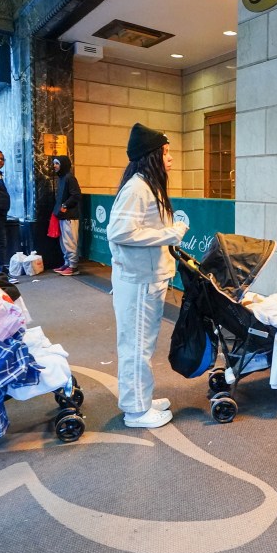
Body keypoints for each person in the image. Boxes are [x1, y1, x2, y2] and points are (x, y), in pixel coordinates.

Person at [107, 123, 188, 429]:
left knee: (141, 344)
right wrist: (171, 233)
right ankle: (136, 411)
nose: (171, 159)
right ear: (151, 155)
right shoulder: (139, 188)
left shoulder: (147, 185)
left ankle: (141, 399)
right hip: (139, 281)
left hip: (146, 279)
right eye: (165, 153)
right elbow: (120, 232)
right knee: (136, 346)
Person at [51, 156, 82, 276]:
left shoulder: (69, 178)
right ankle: (67, 263)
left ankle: (73, 266)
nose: (54, 166)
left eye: (57, 163)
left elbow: (76, 195)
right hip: (63, 215)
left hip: (69, 216)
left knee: (70, 241)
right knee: (64, 241)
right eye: (54, 163)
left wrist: (64, 206)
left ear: (63, 164)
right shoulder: (62, 178)